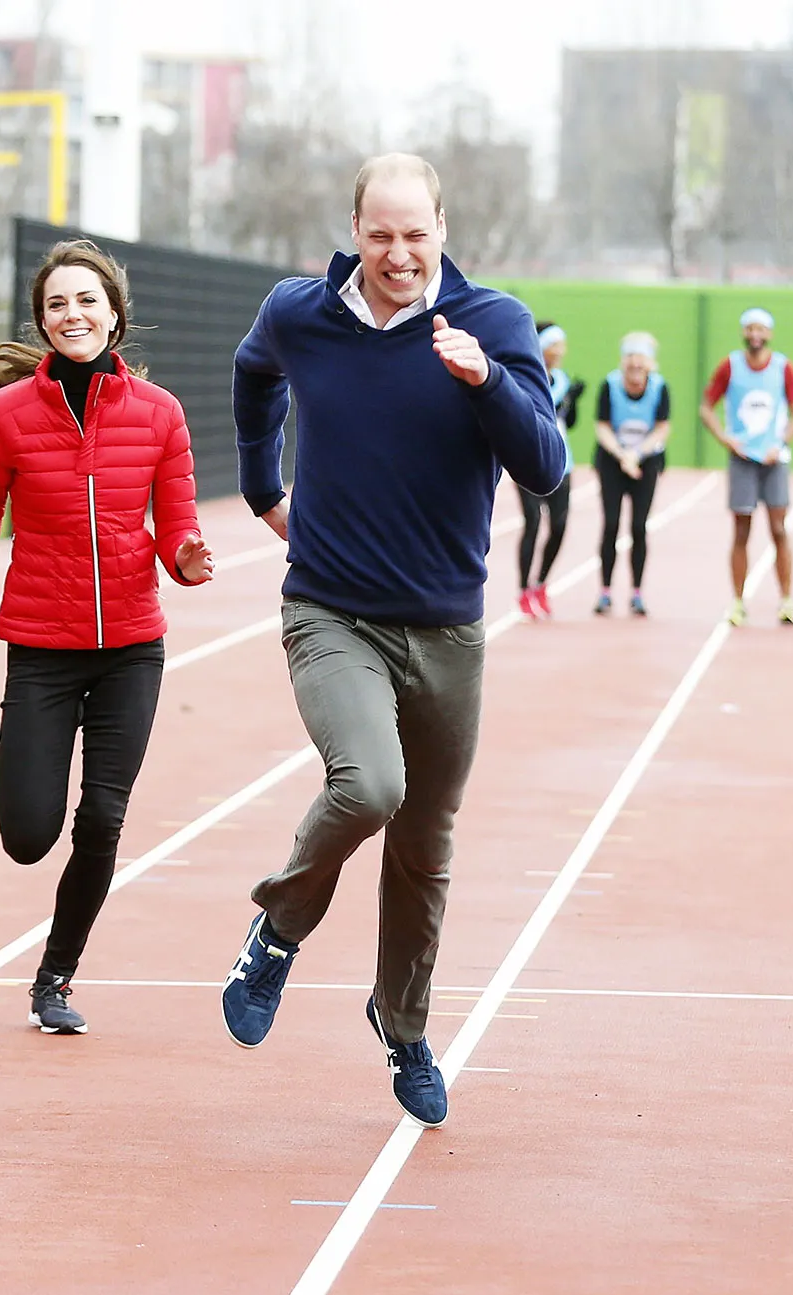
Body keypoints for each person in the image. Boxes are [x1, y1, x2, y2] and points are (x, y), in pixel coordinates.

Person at [225, 154, 566, 1126]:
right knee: (368, 784)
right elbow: (255, 376)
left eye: (415, 234)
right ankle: (278, 929)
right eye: (380, 234)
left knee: (425, 843)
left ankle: (403, 1025)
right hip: (331, 610)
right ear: (354, 230)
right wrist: (261, 489)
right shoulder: (304, 313)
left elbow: (544, 467)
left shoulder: (491, 323)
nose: (398, 253)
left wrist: (485, 380)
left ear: (442, 230)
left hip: (448, 630)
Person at [0, 239, 214, 1036]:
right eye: (58, 304)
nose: (74, 314)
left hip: (133, 646)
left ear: (114, 315)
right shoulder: (4, 418)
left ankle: (55, 975)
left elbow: (176, 526)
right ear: (42, 320)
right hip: (40, 646)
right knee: (30, 836)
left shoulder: (160, 413)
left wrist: (188, 557)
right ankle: (46, 921)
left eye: (87, 301)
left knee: (102, 819)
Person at [700, 307, 793, 627]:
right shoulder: (730, 366)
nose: (755, 335)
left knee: (778, 529)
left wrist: (782, 442)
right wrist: (725, 439)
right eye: (749, 329)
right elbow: (706, 407)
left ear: (769, 333)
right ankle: (737, 601)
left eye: (761, 329)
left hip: (774, 459)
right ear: (743, 332)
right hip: (742, 458)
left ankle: (786, 600)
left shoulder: (783, 367)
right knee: (742, 530)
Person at [593, 332, 671, 616]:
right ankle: (605, 592)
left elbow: (662, 427)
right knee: (611, 524)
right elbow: (601, 425)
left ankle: (637, 591)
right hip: (613, 460)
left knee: (639, 526)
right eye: (630, 361)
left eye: (641, 362)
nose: (635, 367)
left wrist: (637, 455)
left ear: (650, 364)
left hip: (645, 462)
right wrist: (622, 455)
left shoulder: (660, 388)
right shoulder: (610, 385)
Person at [517, 321, 583, 619]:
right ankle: (522, 589)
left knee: (559, 525)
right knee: (532, 521)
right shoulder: (527, 377)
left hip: (561, 461)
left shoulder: (564, 380)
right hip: (529, 458)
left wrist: (574, 401)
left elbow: (568, 422)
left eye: (562, 345)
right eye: (554, 345)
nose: (560, 351)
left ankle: (541, 583)